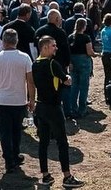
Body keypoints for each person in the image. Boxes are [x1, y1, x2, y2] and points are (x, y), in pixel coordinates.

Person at [32, 36, 85, 187]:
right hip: (53, 107)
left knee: (43, 142)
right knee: (62, 142)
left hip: (40, 106)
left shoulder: (35, 63)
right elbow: (66, 80)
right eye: (53, 45)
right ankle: (67, 177)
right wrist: (66, 78)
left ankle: (45, 175)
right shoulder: (52, 64)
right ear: (45, 48)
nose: (56, 48)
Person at [0, 28, 35, 174]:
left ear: (3, 42)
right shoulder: (25, 57)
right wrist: (32, 99)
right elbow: (30, 82)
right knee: (17, 131)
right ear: (16, 41)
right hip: (19, 100)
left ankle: (9, 159)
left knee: (5, 133)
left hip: (2, 101)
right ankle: (15, 154)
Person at [68, 17, 95, 118]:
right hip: (84, 61)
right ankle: (82, 109)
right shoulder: (86, 38)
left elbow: (68, 51)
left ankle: (73, 108)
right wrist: (95, 54)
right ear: (84, 27)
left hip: (73, 61)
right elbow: (89, 52)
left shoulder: (70, 37)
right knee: (84, 86)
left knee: (74, 86)